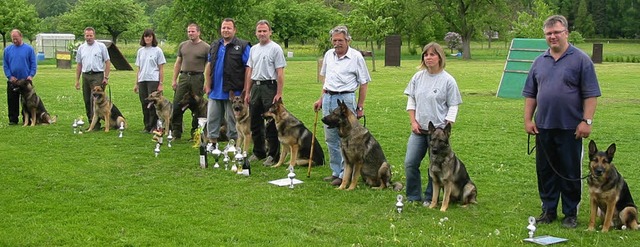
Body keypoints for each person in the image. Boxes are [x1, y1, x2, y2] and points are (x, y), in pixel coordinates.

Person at [523, 15, 601, 229]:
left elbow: (591, 94)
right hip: (543, 127)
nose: (553, 36)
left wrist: (587, 121)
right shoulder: (539, 62)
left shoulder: (581, 60)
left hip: (571, 128)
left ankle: (570, 213)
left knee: (569, 171)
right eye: (549, 34)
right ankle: (548, 210)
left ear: (566, 33)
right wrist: (528, 119)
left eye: (557, 32)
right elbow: (531, 94)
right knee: (545, 171)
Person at [403, 42, 462, 205]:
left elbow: (453, 105)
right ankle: (413, 196)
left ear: (440, 57)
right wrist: (413, 121)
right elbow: (411, 100)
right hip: (419, 130)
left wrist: (446, 128)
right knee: (410, 162)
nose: (428, 58)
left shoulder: (448, 80)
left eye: (432, 54)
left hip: (438, 134)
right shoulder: (417, 77)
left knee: (435, 166)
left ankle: (430, 198)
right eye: (426, 54)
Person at [313, 25, 371, 186]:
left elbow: (364, 83)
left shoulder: (356, 57)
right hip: (329, 97)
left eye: (340, 40)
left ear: (348, 40)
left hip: (346, 99)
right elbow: (326, 79)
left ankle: (345, 173)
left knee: (348, 138)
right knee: (330, 137)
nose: (337, 43)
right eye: (334, 40)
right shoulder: (328, 55)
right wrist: (320, 99)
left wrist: (360, 106)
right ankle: (335, 171)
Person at [244, 20, 286, 166]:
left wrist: (279, 93)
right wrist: (247, 91)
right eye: (259, 31)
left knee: (271, 122)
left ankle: (273, 155)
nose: (262, 34)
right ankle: (258, 152)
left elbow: (280, 72)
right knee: (255, 121)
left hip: (270, 87)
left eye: (264, 31)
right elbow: (250, 71)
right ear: (256, 33)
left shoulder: (275, 49)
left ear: (270, 32)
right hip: (256, 86)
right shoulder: (253, 49)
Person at [204, 18, 250, 146]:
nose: (226, 30)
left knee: (232, 120)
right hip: (215, 90)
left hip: (234, 92)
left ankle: (233, 146)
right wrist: (207, 85)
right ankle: (212, 143)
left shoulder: (243, 46)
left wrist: (246, 89)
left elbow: (248, 69)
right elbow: (208, 66)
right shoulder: (214, 45)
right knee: (212, 118)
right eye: (224, 27)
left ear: (234, 30)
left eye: (229, 28)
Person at [171, 23, 210, 140]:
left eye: (193, 31)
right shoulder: (183, 45)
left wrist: (207, 82)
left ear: (198, 32)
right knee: (178, 104)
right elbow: (178, 63)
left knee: (198, 107)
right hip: (183, 77)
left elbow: (209, 65)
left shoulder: (206, 47)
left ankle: (196, 133)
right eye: (189, 31)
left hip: (197, 78)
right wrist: (174, 79)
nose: (190, 34)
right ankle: (176, 132)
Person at [74, 27, 111, 129]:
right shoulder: (81, 48)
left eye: (91, 35)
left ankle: (97, 124)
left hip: (97, 75)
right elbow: (79, 65)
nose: (89, 37)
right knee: (87, 99)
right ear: (84, 36)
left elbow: (107, 62)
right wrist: (77, 80)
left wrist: (106, 77)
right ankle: (92, 123)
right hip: (86, 75)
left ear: (94, 35)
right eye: (87, 35)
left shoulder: (101, 47)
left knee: (95, 99)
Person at [134, 29, 166, 133]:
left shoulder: (157, 50)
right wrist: (136, 83)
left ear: (153, 38)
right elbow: (138, 68)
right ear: (143, 38)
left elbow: (161, 68)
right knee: (144, 103)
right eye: (146, 36)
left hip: (153, 79)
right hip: (142, 79)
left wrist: (160, 83)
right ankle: (147, 125)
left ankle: (154, 126)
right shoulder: (140, 51)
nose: (148, 38)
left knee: (153, 104)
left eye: (150, 36)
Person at [3, 29, 37, 125]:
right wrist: (10, 76)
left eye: (16, 38)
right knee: (12, 100)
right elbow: (5, 65)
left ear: (21, 37)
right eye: (13, 39)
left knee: (28, 100)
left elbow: (33, 64)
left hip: (25, 81)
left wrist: (31, 75)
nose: (14, 41)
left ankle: (27, 119)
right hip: (13, 80)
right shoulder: (7, 50)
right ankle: (13, 119)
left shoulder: (29, 49)